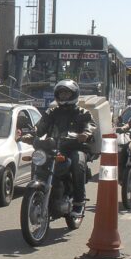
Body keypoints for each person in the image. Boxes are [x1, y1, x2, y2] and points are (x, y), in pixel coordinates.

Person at [33, 79, 95, 218]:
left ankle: (78, 202)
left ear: (74, 95)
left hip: (75, 147)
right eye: (61, 94)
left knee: (77, 162)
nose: (63, 96)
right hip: (55, 146)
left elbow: (90, 126)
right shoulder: (52, 112)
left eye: (66, 93)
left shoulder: (83, 112)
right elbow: (40, 127)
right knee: (38, 158)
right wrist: (30, 133)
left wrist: (85, 134)